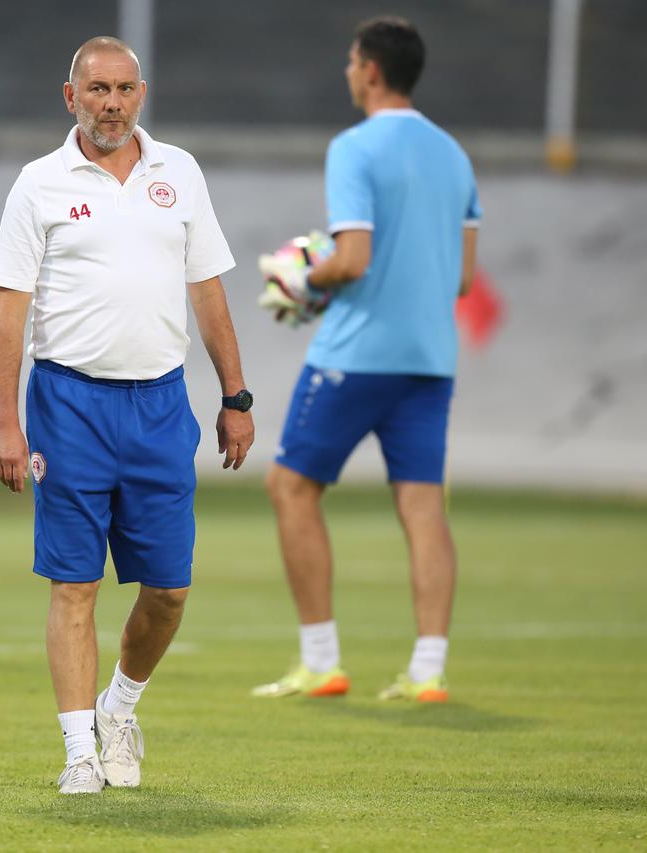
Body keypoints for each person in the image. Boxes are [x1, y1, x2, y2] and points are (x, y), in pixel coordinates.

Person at [0, 36, 254, 794]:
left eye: (125, 89)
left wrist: (235, 396)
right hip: (69, 403)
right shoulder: (38, 185)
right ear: (69, 96)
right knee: (74, 584)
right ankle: (79, 752)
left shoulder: (181, 173)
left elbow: (208, 290)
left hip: (161, 404)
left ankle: (120, 707)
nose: (112, 103)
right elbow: (11, 312)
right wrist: (7, 421)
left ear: (143, 94)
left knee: (169, 589)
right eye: (97, 89)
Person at [252, 17, 480, 703]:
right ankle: (428, 670)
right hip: (430, 360)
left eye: (353, 61)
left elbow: (351, 258)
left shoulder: (353, 147)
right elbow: (465, 279)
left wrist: (301, 279)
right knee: (422, 505)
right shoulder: (454, 155)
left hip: (356, 355)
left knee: (291, 487)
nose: (349, 71)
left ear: (372, 70)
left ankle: (321, 659)